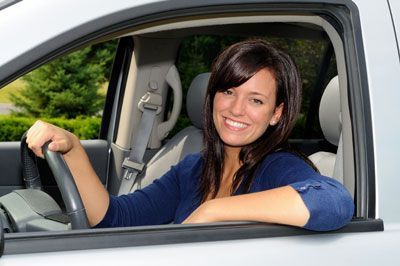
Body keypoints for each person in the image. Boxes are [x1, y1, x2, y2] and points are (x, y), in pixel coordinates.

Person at [26, 39, 354, 231]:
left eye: (256, 100)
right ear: (212, 96)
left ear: (277, 113)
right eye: (228, 91)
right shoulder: (194, 168)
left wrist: (212, 211)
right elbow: (115, 217)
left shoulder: (276, 167)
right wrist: (73, 150)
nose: (237, 109)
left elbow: (334, 201)